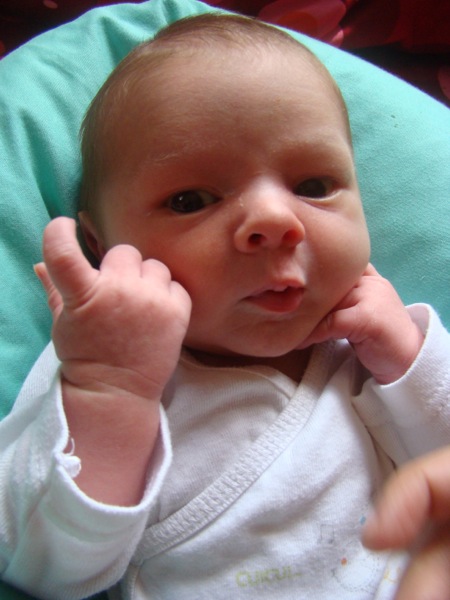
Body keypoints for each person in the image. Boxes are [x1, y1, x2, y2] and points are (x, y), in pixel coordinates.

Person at [0, 12, 449, 600]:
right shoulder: (99, 366)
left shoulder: (373, 347)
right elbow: (42, 565)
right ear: (102, 249)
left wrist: (412, 361)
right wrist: (112, 388)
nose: (274, 219)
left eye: (313, 187)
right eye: (191, 200)